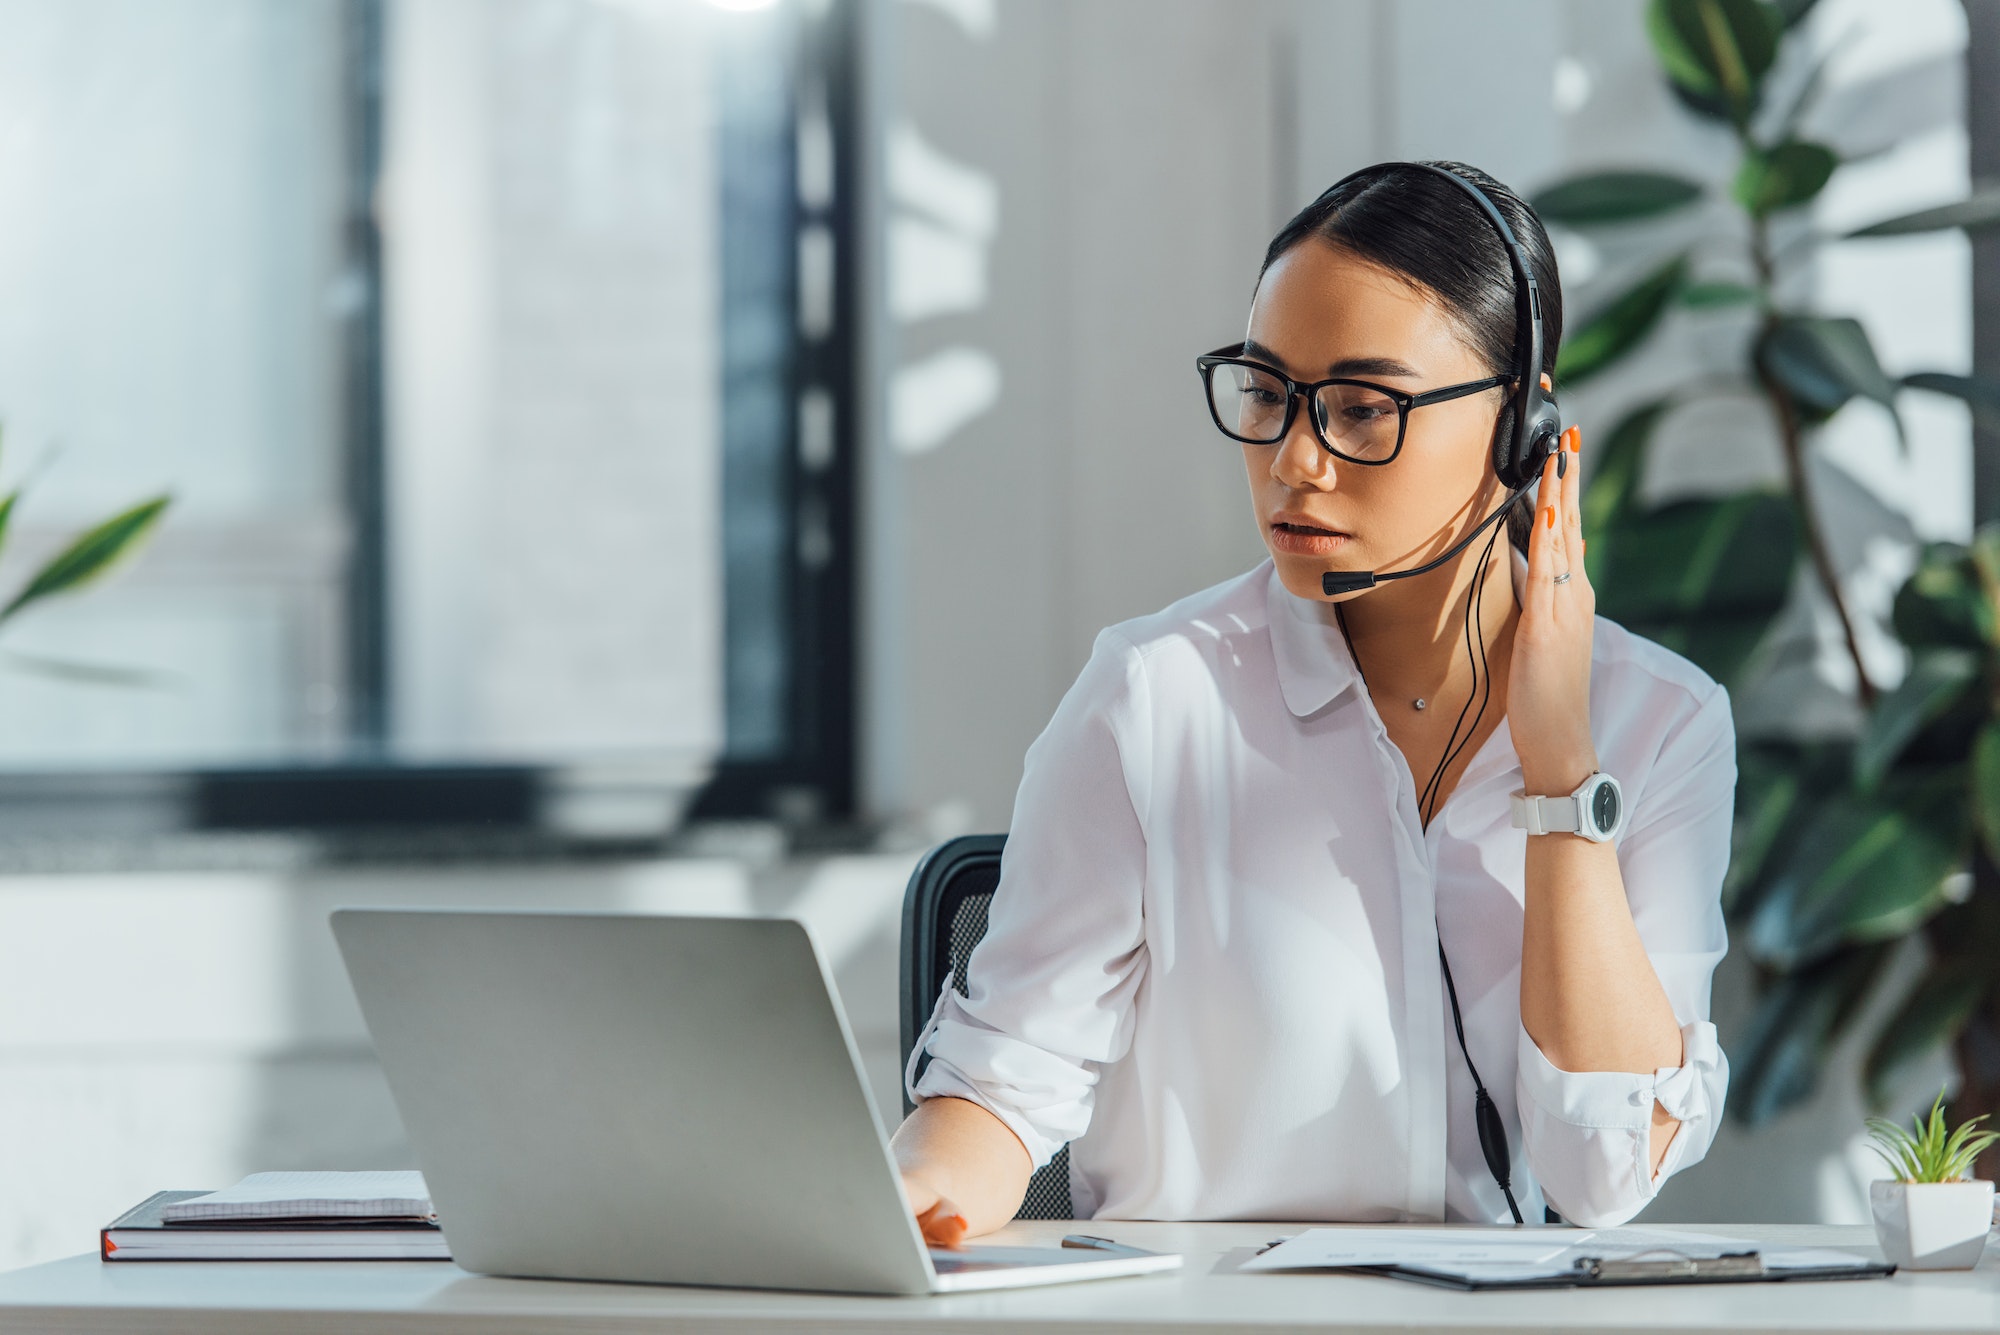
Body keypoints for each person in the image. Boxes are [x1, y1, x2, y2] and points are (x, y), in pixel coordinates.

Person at [890, 161, 1732, 1243]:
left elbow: (1604, 1174)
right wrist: (902, 1203)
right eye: (1265, 392)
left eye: (1358, 409)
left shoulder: (1662, 724)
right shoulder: (1153, 699)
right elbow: (1003, 1086)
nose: (1293, 460)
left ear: (1520, 434)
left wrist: (1560, 769)